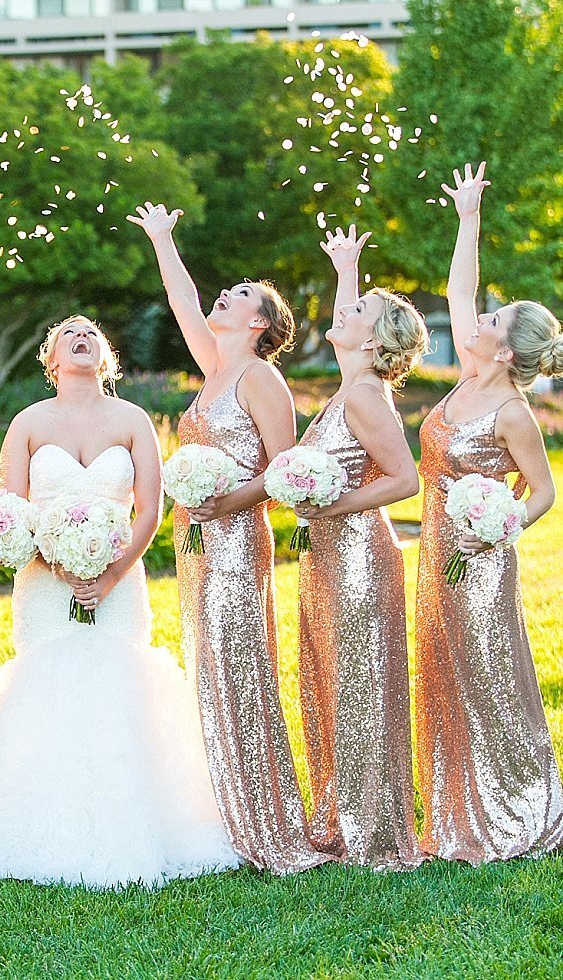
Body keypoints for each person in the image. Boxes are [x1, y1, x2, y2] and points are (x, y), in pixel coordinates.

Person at [0, 316, 242, 888]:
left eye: (91, 330)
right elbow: (11, 511)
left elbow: (150, 511)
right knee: (49, 688)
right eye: (69, 334)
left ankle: (130, 824)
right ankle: (41, 824)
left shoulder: (135, 419)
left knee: (119, 685)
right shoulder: (28, 423)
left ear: (105, 353)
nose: (82, 336)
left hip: (120, 581)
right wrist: (53, 561)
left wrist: (111, 575)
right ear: (53, 358)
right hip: (45, 582)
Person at [129, 202, 329, 874]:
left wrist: (223, 503)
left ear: (262, 323)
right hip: (198, 545)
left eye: (241, 294)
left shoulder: (261, 377)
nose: (225, 293)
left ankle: (260, 821)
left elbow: (287, 470)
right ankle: (222, 812)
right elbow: (182, 295)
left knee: (238, 670)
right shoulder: (216, 363)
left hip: (238, 545)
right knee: (208, 668)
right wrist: (163, 238)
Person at [415, 162, 563, 863]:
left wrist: (500, 526)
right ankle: (458, 808)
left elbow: (543, 492)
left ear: (502, 347)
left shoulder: (512, 412)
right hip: (432, 558)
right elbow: (458, 287)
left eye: (492, 319)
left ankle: (519, 802)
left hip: (479, 562)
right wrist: (467, 217)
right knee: (445, 672)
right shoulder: (471, 379)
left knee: (490, 677)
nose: (478, 315)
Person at [296, 225, 427, 870]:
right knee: (331, 681)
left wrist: (334, 504)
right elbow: (350, 325)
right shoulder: (352, 386)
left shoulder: (369, 398)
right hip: (327, 556)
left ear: (373, 340)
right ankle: (339, 813)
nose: (340, 312)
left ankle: (372, 830)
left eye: (356, 311)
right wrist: (347, 266)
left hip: (357, 556)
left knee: (361, 686)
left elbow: (405, 479)